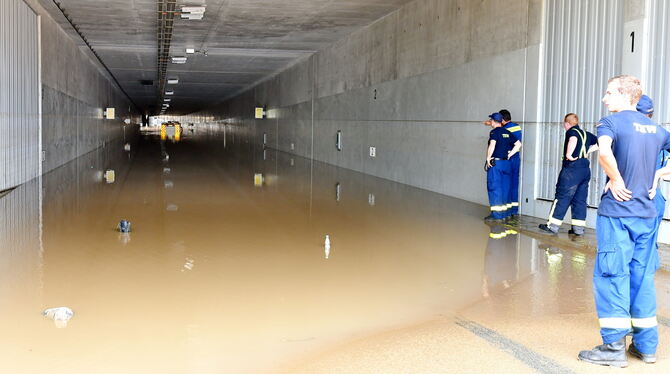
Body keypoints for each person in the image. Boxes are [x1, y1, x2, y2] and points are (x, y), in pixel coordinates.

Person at [578, 76, 670, 367]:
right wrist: (658, 176)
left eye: (609, 93)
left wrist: (616, 179)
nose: (604, 98)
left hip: (618, 212)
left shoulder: (611, 123)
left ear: (625, 96)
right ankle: (645, 346)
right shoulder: (658, 130)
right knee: (641, 278)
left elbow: (603, 151)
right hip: (646, 214)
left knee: (611, 275)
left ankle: (613, 347)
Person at [539, 113, 598, 235]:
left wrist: (569, 155)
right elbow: (599, 143)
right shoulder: (586, 134)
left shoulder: (571, 132)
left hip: (572, 169)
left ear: (567, 123)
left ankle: (552, 226)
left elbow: (573, 140)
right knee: (580, 199)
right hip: (585, 169)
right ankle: (578, 229)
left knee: (563, 196)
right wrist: (587, 151)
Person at [484, 113, 521, 221]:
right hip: (507, 164)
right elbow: (518, 144)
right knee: (506, 187)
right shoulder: (507, 132)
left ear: (494, 121)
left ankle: (497, 215)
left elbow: (492, 145)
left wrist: (488, 158)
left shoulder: (494, 132)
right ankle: (507, 213)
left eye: (491, 120)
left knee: (495, 187)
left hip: (497, 163)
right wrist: (509, 155)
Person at [499, 110, 523, 217]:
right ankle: (514, 210)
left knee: (505, 184)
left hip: (507, 158)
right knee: (514, 184)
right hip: (516, 158)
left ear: (502, 120)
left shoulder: (503, 129)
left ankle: (505, 211)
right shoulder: (517, 126)